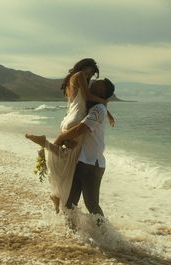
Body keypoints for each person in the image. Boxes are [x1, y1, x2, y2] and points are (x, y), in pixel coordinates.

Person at [26, 59, 115, 213]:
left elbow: (89, 103)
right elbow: (88, 97)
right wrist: (105, 104)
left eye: (93, 75)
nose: (91, 77)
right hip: (76, 123)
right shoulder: (80, 77)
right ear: (84, 67)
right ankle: (47, 148)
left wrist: (107, 111)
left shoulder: (76, 84)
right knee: (66, 157)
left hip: (70, 121)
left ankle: (55, 189)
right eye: (91, 72)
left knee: (66, 159)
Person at [54, 78, 115, 226]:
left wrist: (61, 138)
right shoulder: (90, 107)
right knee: (69, 202)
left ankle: (106, 235)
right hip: (79, 161)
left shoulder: (99, 109)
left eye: (99, 83)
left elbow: (83, 128)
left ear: (102, 91)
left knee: (92, 204)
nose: (94, 82)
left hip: (92, 163)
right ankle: (72, 233)